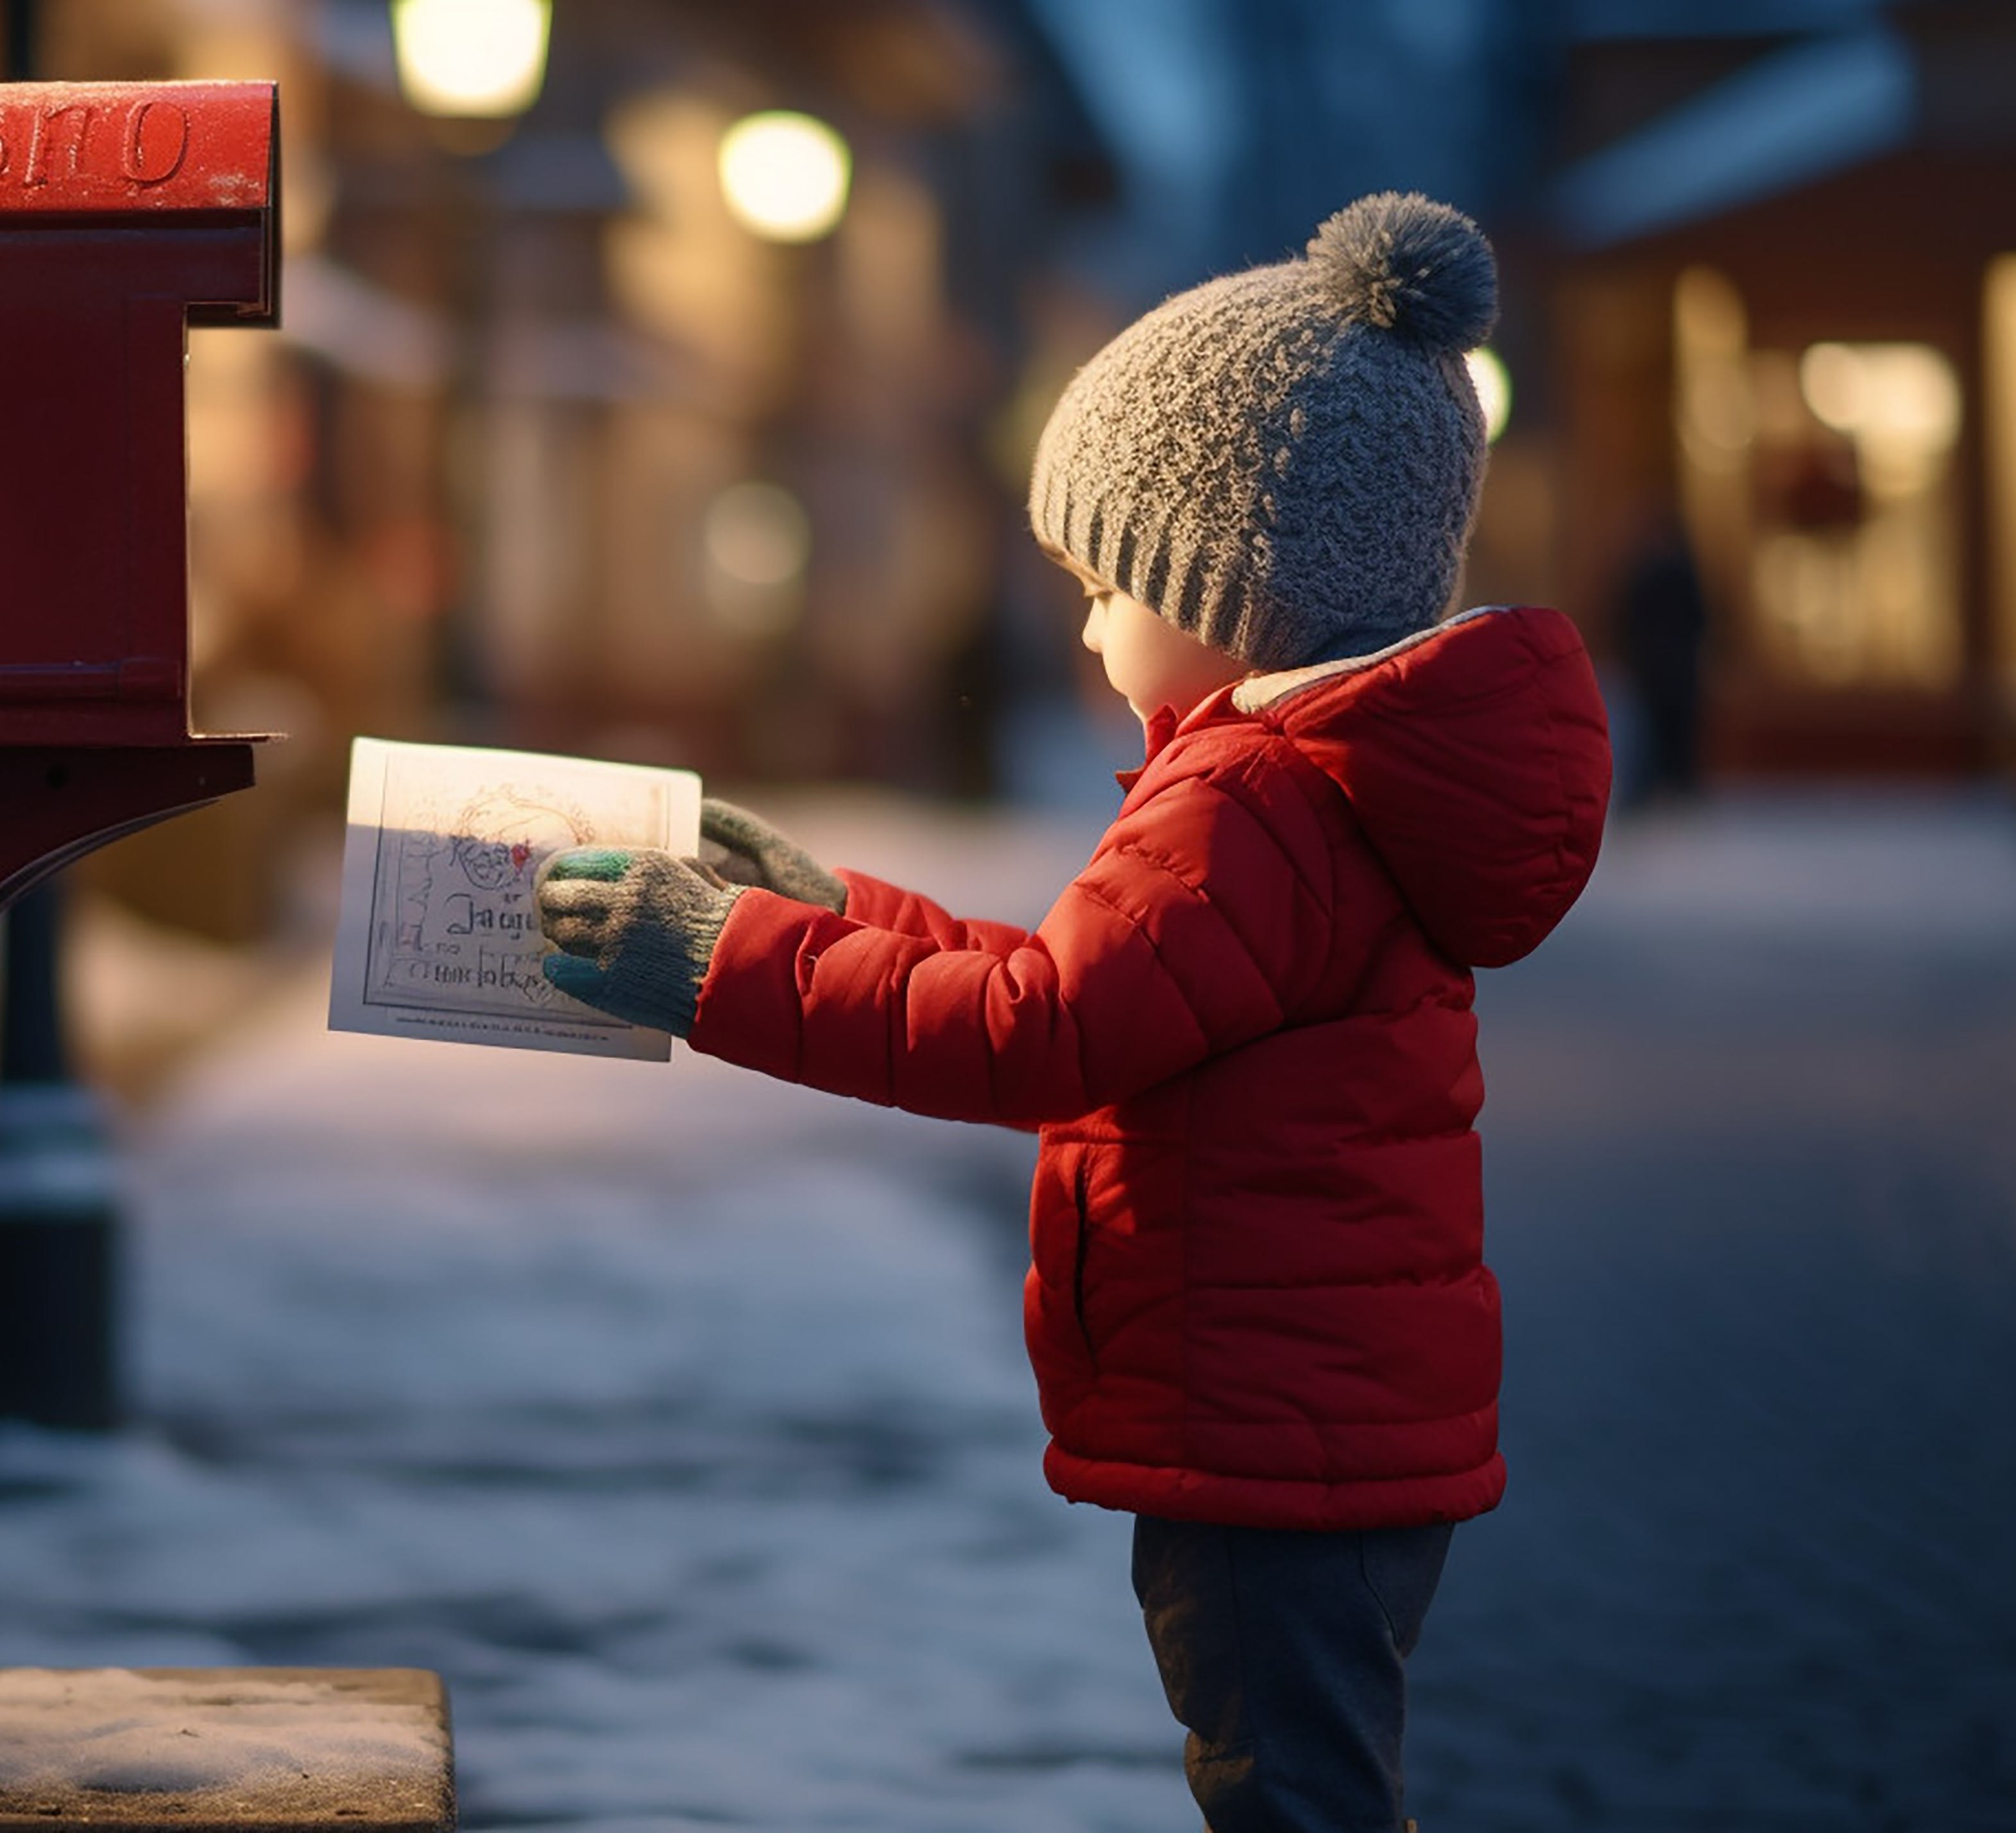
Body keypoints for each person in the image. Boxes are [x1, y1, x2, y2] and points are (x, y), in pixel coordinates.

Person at [528, 193, 1611, 1832]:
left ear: (1232, 583)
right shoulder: (1310, 789)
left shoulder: (1250, 804)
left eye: (1105, 581)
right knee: (1303, 1778)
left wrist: (713, 959)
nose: (1086, 623)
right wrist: (822, 909)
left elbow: (1037, 1033)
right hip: (1320, 1420)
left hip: (1267, 1435)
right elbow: (1106, 992)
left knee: (1289, 1795)